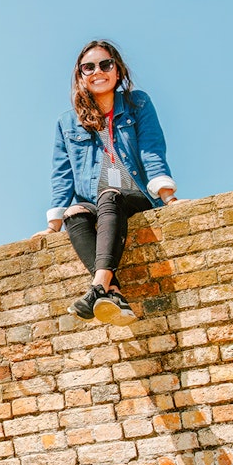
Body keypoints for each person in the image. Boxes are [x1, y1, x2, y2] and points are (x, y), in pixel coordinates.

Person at [35, 40, 180, 326]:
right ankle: (111, 291)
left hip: (133, 195)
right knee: (74, 213)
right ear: (80, 75)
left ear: (118, 70)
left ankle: (97, 286)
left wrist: (168, 197)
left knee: (110, 195)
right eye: (88, 67)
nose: (97, 71)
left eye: (105, 64)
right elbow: (62, 173)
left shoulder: (137, 104)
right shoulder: (68, 123)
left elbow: (151, 149)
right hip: (95, 200)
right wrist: (53, 224)